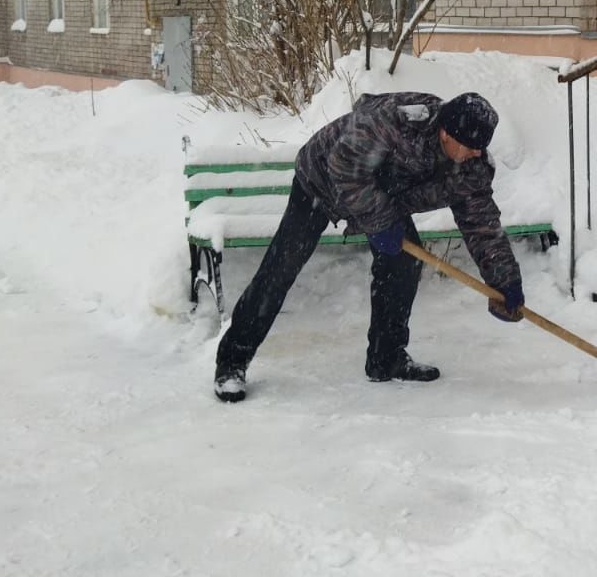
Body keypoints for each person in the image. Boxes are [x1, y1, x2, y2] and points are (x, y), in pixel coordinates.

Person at [212, 91, 526, 402]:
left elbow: (482, 225)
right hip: (321, 180)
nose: (476, 154)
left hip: (383, 197)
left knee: (403, 264)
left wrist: (505, 282)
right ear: (446, 133)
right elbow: (344, 167)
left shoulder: (472, 165)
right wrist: (379, 222)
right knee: (281, 267)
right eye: (471, 146)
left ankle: (386, 357)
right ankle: (232, 363)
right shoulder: (395, 123)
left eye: (480, 148)